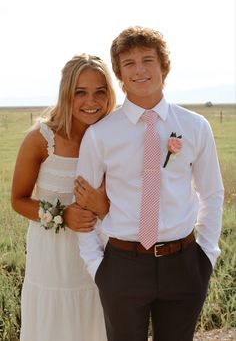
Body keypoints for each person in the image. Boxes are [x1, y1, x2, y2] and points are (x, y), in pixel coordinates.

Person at [75, 26, 224, 341]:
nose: (139, 70)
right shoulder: (100, 134)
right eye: (129, 63)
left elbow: (212, 193)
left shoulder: (195, 127)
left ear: (163, 67)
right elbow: (83, 203)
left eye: (148, 60)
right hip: (122, 266)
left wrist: (206, 256)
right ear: (119, 73)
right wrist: (96, 266)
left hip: (184, 265)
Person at [11, 53, 116, 341]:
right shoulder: (41, 139)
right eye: (80, 92)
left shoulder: (114, 137)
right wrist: (62, 215)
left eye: (99, 92)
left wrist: (104, 206)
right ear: (66, 93)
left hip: (101, 252)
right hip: (53, 257)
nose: (91, 101)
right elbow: (18, 200)